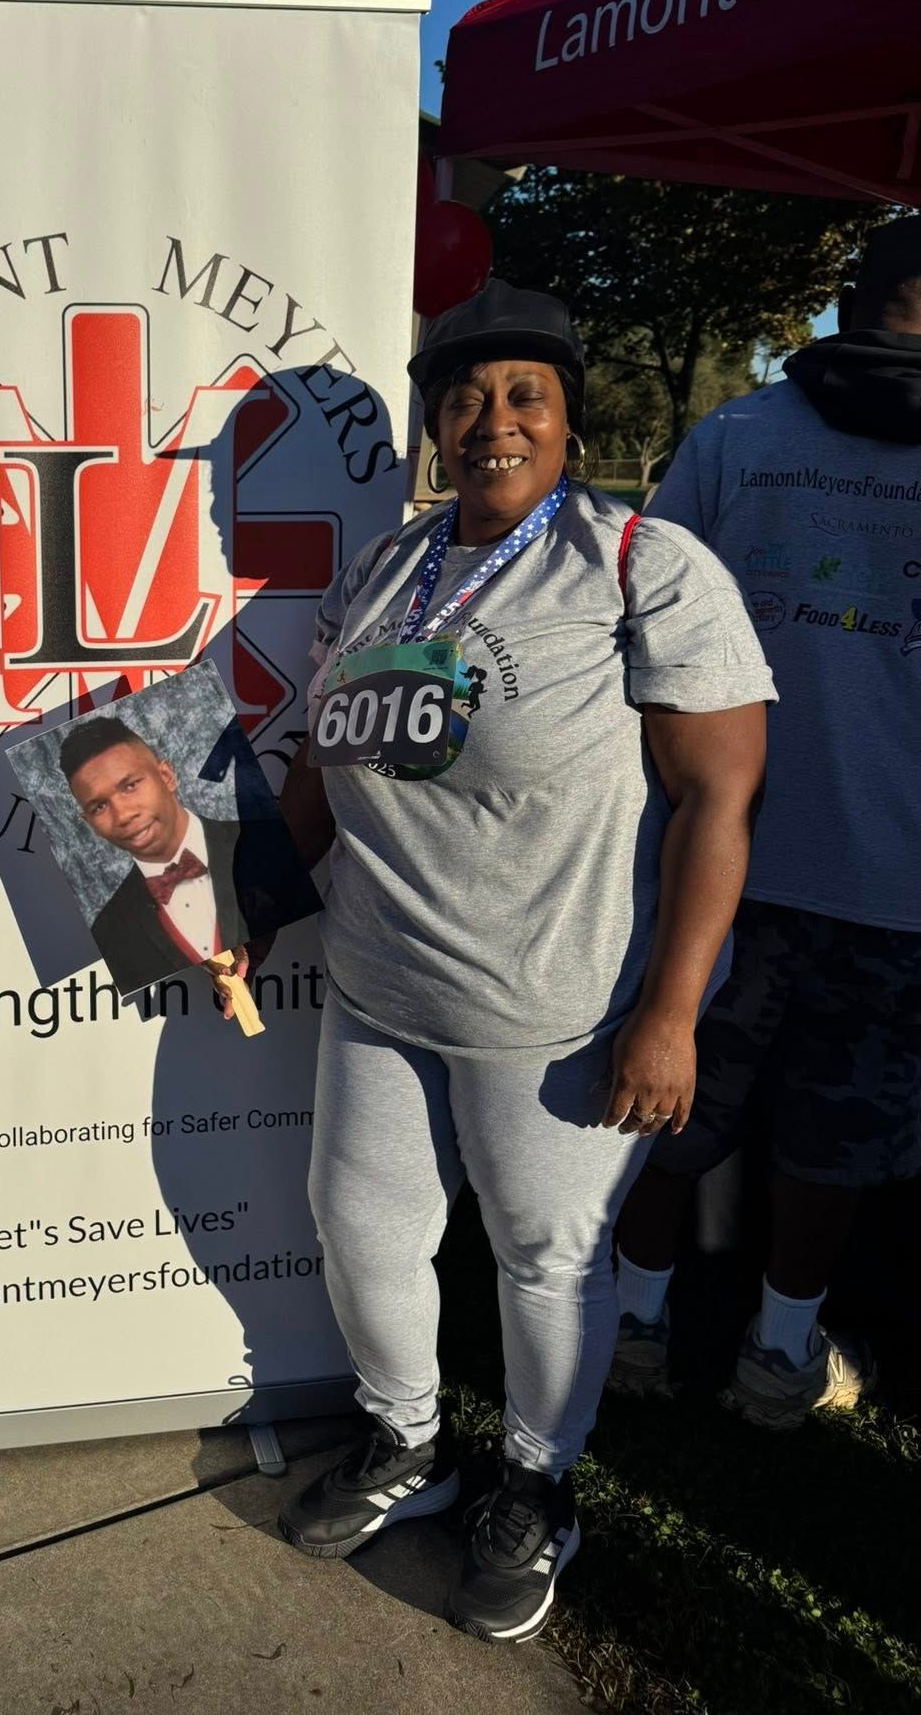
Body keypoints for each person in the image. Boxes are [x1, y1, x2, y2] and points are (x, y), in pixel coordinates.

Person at [235, 280, 773, 1643]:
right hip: (377, 982)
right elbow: (320, 760)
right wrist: (250, 893)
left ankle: (537, 1483)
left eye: (523, 394)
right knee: (362, 1229)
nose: (492, 420)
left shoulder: (638, 560)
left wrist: (670, 1011)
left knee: (544, 1256)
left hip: (560, 1003)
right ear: (433, 424)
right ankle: (407, 1446)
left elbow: (719, 799)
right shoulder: (384, 566)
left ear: (570, 419)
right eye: (465, 396)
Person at [610, 218, 921, 1429]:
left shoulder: (737, 435)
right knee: (833, 1132)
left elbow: (638, 614)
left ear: (847, 302)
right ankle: (780, 1352)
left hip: (712, 850)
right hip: (893, 870)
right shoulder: (736, 433)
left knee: (669, 1094)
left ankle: (633, 1321)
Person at [60, 713, 318, 993]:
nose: (123, 814)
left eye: (130, 785)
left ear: (167, 776)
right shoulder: (110, 929)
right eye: (99, 806)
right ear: (88, 823)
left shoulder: (263, 848)